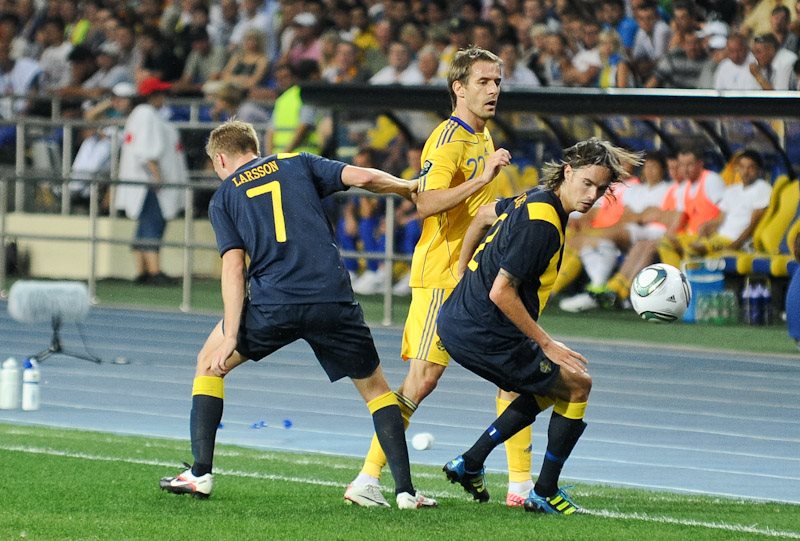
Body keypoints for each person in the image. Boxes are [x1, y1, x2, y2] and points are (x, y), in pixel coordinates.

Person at [158, 119, 436, 510]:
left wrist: (233, 333)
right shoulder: (297, 162)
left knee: (208, 363)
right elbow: (363, 177)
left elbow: (233, 268)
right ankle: (405, 491)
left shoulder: (224, 197)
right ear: (255, 147)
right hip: (331, 299)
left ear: (220, 160)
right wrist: (407, 186)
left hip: (275, 303)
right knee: (377, 391)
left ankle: (200, 473)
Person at [345, 46, 518, 508]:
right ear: (458, 88)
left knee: (513, 370)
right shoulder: (448, 139)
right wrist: (481, 179)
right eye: (483, 82)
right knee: (421, 380)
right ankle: (367, 478)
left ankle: (521, 487)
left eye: (497, 82)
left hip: (476, 276)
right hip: (442, 275)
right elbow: (424, 202)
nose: (493, 90)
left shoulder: (483, 136)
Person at [438, 139, 641, 513]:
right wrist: (547, 343)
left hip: (457, 319)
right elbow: (502, 292)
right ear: (568, 172)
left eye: (600, 189)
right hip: (485, 333)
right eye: (587, 184)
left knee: (550, 387)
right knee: (578, 384)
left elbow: (482, 215)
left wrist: (462, 272)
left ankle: (471, 461)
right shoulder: (543, 225)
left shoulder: (532, 198)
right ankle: (545, 491)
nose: (592, 196)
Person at [114, 76, 188, 285]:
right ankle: (154, 271)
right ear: (152, 95)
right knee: (153, 222)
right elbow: (147, 151)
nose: (163, 97)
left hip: (144, 180)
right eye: (160, 93)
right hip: (150, 182)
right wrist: (156, 177)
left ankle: (142, 270)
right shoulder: (146, 114)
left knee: (145, 223)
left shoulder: (142, 115)